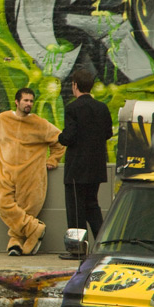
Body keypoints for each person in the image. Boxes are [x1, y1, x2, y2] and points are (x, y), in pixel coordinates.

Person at [0, 88, 66, 256]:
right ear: (17, 102)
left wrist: (53, 159)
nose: (29, 104)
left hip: (31, 176)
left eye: (31, 101)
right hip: (5, 173)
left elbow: (59, 141)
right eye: (25, 100)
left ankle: (15, 243)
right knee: (3, 205)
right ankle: (35, 228)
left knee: (27, 210)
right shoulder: (2, 119)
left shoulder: (40, 124)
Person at [57, 69, 113, 259]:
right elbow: (108, 133)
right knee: (92, 206)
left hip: (76, 169)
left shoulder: (72, 108)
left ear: (74, 85)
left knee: (75, 209)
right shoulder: (102, 108)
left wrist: (60, 137)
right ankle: (103, 247)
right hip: (96, 168)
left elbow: (69, 137)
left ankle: (77, 250)